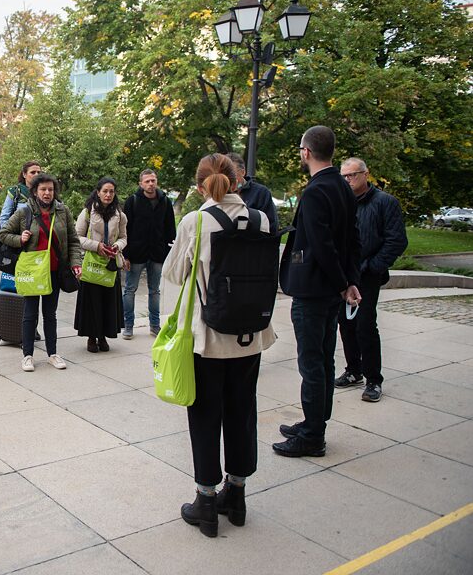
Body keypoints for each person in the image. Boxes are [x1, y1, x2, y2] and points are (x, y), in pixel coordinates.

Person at [162, 154, 276, 538]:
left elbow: (173, 273)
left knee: (205, 415)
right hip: (251, 335)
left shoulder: (195, 222)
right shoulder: (261, 219)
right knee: (242, 412)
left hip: (209, 338)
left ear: (200, 187)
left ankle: (206, 501)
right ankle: (237, 496)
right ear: (237, 181)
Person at [275, 126, 361, 458]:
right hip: (330, 291)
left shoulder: (315, 191)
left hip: (314, 290)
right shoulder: (342, 186)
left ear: (307, 152)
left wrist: (342, 283)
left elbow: (323, 245)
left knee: (312, 363)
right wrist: (349, 281)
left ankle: (313, 436)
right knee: (324, 360)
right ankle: (315, 422)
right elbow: (352, 241)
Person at [336, 157, 407, 402]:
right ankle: (353, 370)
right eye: (344, 176)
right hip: (344, 275)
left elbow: (397, 240)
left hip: (367, 276)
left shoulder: (385, 202)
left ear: (366, 174)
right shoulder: (342, 202)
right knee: (345, 323)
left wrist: (372, 267)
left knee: (365, 325)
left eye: (352, 175)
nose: (348, 180)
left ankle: (373, 379)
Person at [0, 173, 81, 372]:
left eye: (50, 189)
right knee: (30, 314)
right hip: (33, 271)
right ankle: (27, 355)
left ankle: (52, 354)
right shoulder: (24, 212)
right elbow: (3, 234)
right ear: (35, 191)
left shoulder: (63, 211)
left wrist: (75, 263)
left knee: (50, 314)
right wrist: (20, 239)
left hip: (55, 271)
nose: (47, 193)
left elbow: (73, 240)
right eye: (43, 189)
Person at [121, 168, 176, 338]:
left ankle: (155, 325)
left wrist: (168, 254)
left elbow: (170, 229)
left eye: (153, 180)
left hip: (157, 254)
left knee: (155, 291)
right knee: (130, 290)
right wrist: (126, 255)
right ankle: (128, 325)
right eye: (147, 181)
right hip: (136, 255)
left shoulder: (165, 201)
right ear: (141, 184)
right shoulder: (132, 201)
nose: (151, 184)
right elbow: (125, 230)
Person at [74, 177, 127, 353]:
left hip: (110, 264)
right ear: (98, 192)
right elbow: (77, 237)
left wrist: (117, 246)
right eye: (105, 191)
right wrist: (97, 246)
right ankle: (91, 337)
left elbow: (124, 237)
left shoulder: (120, 215)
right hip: (92, 263)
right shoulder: (87, 212)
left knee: (107, 301)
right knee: (92, 302)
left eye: (111, 191)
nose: (108, 194)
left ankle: (103, 336)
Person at [226, 152, 279, 234]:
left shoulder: (260, 192)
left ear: (243, 172)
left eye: (231, 173)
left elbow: (271, 226)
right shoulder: (218, 193)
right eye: (224, 173)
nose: (228, 178)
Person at [0, 160, 42, 226]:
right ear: (24, 175)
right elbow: (4, 217)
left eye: (38, 172)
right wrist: (7, 231)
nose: (36, 175)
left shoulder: (46, 192)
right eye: (33, 172)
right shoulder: (15, 192)